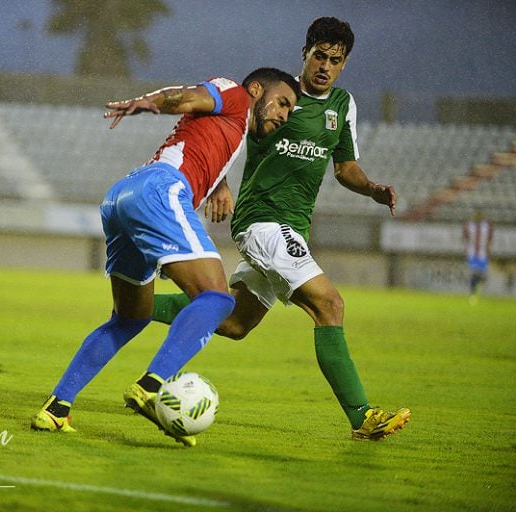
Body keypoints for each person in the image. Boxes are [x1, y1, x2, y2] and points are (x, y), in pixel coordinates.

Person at [153, 17, 410, 441]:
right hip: (263, 222)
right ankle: (363, 417)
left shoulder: (343, 106)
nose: (325, 66)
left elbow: (344, 168)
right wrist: (218, 183)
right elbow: (226, 129)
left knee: (234, 322)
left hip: (292, 228)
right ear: (305, 54)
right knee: (330, 305)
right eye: (319, 56)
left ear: (344, 65)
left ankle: (137, 306)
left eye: (335, 60)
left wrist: (373, 189)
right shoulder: (277, 95)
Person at [31, 68, 300, 447]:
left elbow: (197, 136)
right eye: (283, 103)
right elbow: (187, 97)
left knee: (130, 317)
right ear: (257, 90)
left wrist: (219, 182)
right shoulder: (237, 95)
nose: (284, 115)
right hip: (160, 190)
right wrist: (152, 102)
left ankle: (56, 408)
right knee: (217, 298)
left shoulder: (232, 127)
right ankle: (152, 386)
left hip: (122, 197)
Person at [463, 210, 493, 304]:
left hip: (482, 254)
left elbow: (490, 237)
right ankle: (473, 294)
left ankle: (477, 287)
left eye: (479, 215)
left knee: (481, 274)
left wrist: (488, 249)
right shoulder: (470, 225)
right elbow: (465, 235)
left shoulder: (486, 226)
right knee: (474, 273)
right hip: (472, 253)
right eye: (477, 215)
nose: (478, 217)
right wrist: (466, 246)